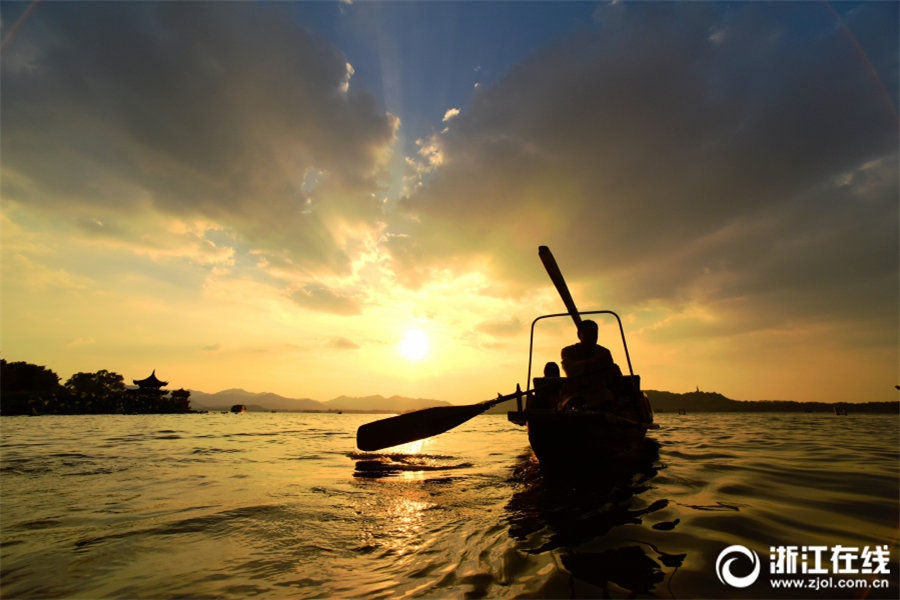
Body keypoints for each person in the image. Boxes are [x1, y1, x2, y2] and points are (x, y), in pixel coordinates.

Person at [559, 320, 621, 411]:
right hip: (574, 394)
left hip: (600, 394)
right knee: (571, 405)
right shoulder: (568, 351)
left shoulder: (604, 352)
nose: (592, 337)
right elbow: (570, 370)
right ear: (579, 335)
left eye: (595, 333)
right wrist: (593, 362)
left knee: (608, 399)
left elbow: (612, 376)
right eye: (588, 333)